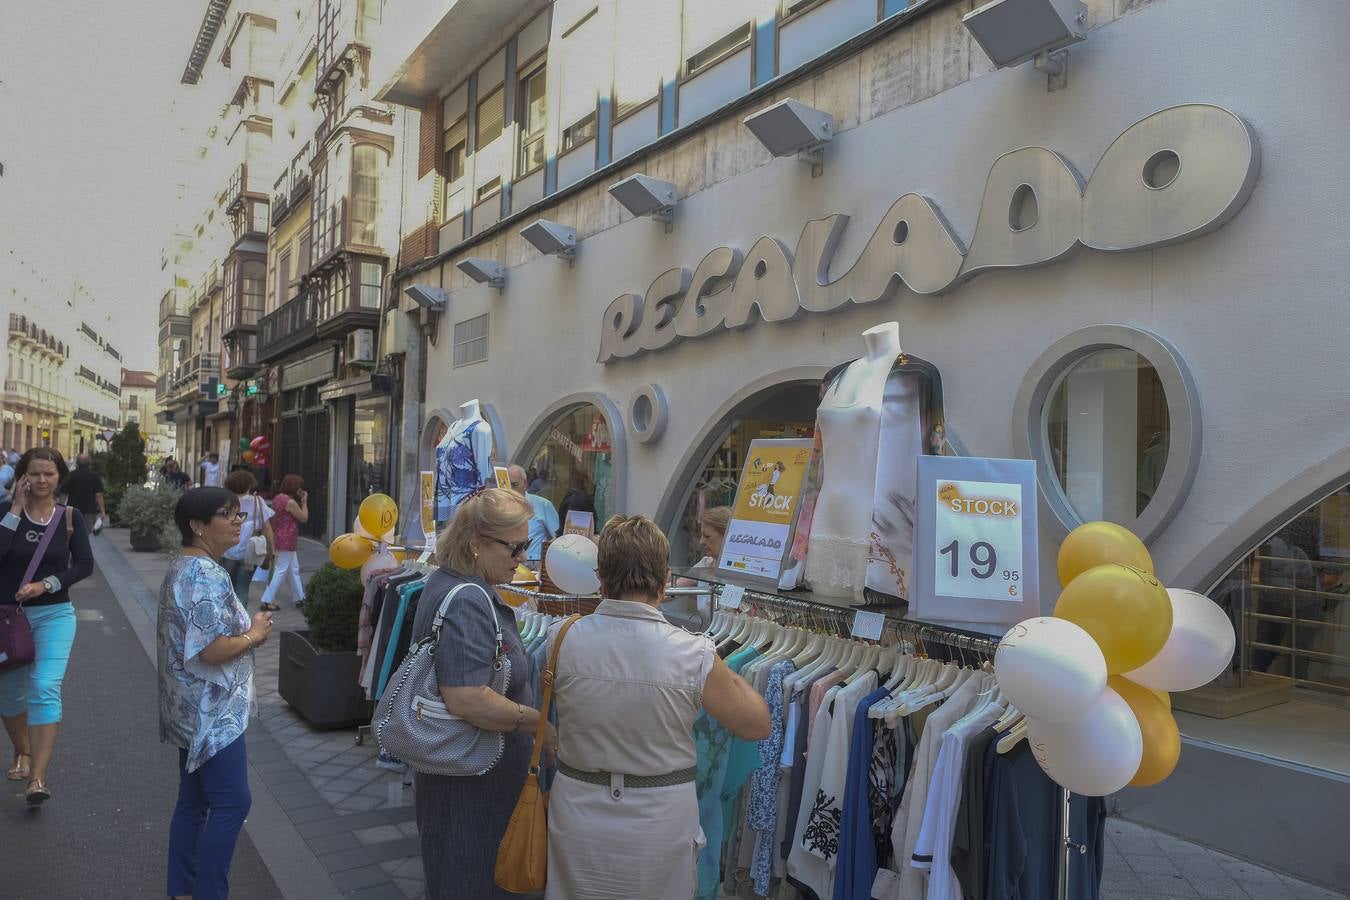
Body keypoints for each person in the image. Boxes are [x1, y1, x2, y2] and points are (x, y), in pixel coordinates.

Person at [545, 515, 770, 899]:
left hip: (578, 810)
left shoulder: (559, 639)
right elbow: (757, 723)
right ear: (665, 581)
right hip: (659, 819)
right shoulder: (692, 653)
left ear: (601, 579)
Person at [409, 488, 549, 899]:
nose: (523, 556)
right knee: (475, 880)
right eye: (515, 546)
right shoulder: (468, 600)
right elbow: (467, 696)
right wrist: (538, 724)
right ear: (475, 544)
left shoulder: (452, 584)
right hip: (475, 787)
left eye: (527, 544)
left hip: (465, 778)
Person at [157, 487, 273, 900]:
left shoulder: (186, 565)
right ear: (198, 525)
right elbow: (212, 649)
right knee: (231, 804)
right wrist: (255, 634)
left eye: (240, 514)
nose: (239, 521)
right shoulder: (205, 573)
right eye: (229, 515)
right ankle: (208, 892)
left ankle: (183, 890)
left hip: (188, 706)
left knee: (193, 802)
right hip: (211, 710)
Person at [0, 448, 95, 806]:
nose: (41, 481)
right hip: (8, 618)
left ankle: (37, 778)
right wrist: (13, 510)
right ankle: (21, 751)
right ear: (22, 476)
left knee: (44, 685)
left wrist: (48, 584)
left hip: (54, 614)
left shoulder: (69, 517)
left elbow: (85, 565)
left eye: (49, 474)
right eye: (34, 474)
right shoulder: (5, 515)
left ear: (59, 478)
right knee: (9, 693)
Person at [220, 470, 275, 609]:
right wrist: (272, 549)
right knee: (243, 588)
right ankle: (240, 622)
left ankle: (225, 620)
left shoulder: (224, 501)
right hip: (251, 552)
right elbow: (267, 527)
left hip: (227, 551)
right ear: (249, 485)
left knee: (225, 588)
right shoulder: (257, 501)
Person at [259, 474, 308, 611]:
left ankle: (300, 597)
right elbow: (304, 517)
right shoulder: (290, 502)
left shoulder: (278, 498)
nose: (301, 490)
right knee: (280, 570)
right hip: (288, 539)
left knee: (293, 569)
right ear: (295, 487)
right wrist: (304, 502)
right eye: (300, 487)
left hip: (279, 536)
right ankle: (267, 600)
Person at [507, 464, 558, 561]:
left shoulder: (543, 505)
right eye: (507, 485)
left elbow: (557, 538)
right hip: (507, 562)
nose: (510, 490)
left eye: (514, 485)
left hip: (533, 563)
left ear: (525, 483)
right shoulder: (499, 507)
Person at [61, 452, 107, 534]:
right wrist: (102, 511)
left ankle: (73, 545)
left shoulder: (70, 475)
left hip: (72, 509)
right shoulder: (95, 476)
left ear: (77, 462)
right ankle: (83, 545)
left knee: (72, 531)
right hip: (90, 510)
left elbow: (64, 493)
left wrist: (60, 509)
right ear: (89, 462)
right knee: (86, 532)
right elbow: (98, 495)